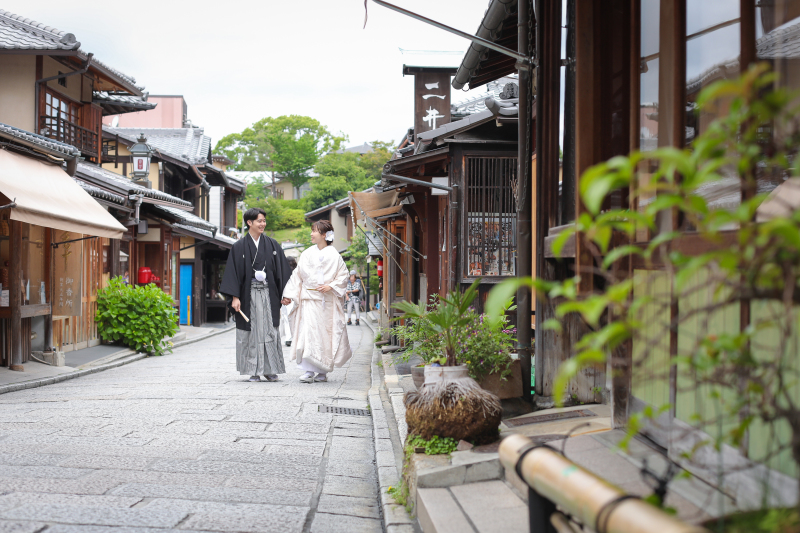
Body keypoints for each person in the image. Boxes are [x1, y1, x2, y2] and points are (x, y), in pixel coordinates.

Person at [220, 207, 292, 382]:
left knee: (270, 330)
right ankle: (253, 370)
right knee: (252, 331)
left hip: (269, 294)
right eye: (259, 221)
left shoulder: (273, 245)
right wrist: (235, 297)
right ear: (249, 222)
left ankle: (270, 369)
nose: (263, 224)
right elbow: (233, 273)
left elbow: (282, 271)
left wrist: (286, 293)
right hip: (248, 295)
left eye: (264, 221)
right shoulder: (238, 247)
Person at [281, 220, 352, 383]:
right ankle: (308, 370)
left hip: (326, 302)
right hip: (309, 300)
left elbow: (343, 276)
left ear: (324, 235)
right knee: (308, 334)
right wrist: (289, 295)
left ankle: (322, 370)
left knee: (324, 336)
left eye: (314, 231)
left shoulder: (334, 255)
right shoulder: (307, 254)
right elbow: (297, 276)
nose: (311, 234)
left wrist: (330, 286)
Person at [280, 256, 298, 346]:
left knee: (286, 317)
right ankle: (293, 336)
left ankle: (288, 337)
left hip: (285, 296)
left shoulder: (283, 271)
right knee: (294, 316)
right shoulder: (296, 272)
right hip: (294, 296)